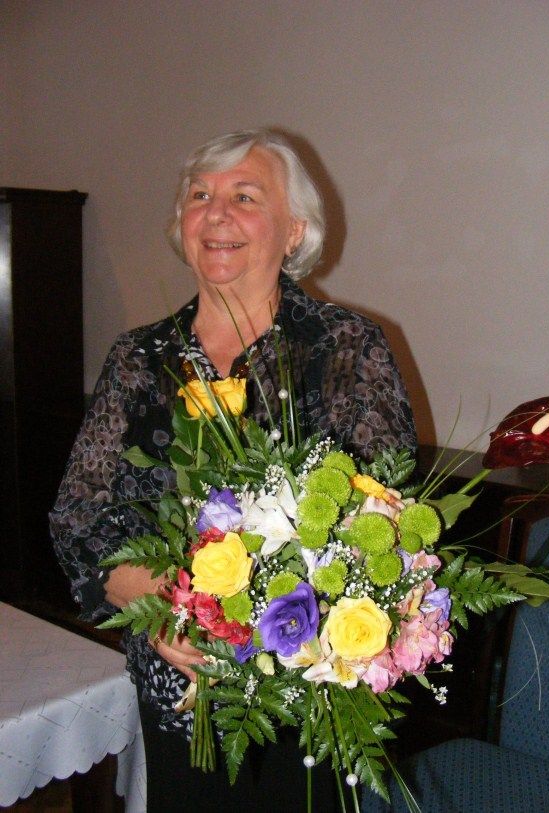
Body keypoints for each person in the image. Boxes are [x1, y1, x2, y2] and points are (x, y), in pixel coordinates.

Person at [50, 128, 417, 811]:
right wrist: (167, 604)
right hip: (175, 684)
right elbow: (79, 516)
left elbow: (382, 521)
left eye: (245, 196)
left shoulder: (345, 347)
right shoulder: (139, 357)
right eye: (199, 196)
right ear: (181, 224)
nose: (215, 213)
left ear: (294, 230)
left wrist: (249, 613)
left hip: (305, 687)